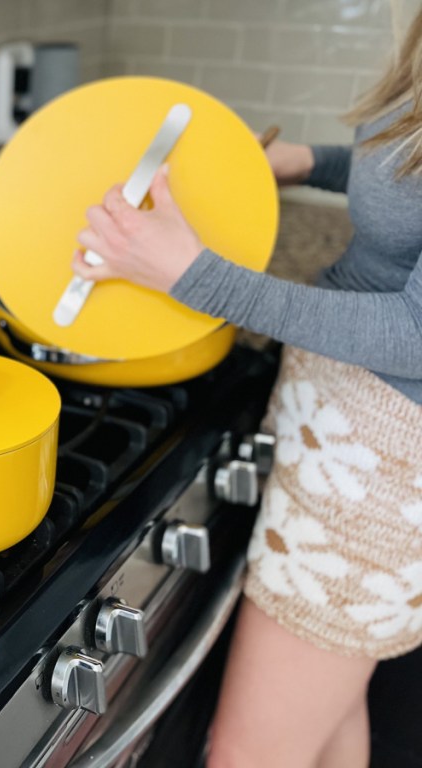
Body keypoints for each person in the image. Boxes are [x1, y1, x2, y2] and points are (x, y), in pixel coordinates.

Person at [72, 9, 422, 768]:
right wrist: (306, 162)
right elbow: (409, 173)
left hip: (381, 480)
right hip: (348, 445)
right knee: (329, 713)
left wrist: (194, 277)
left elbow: (417, 334)